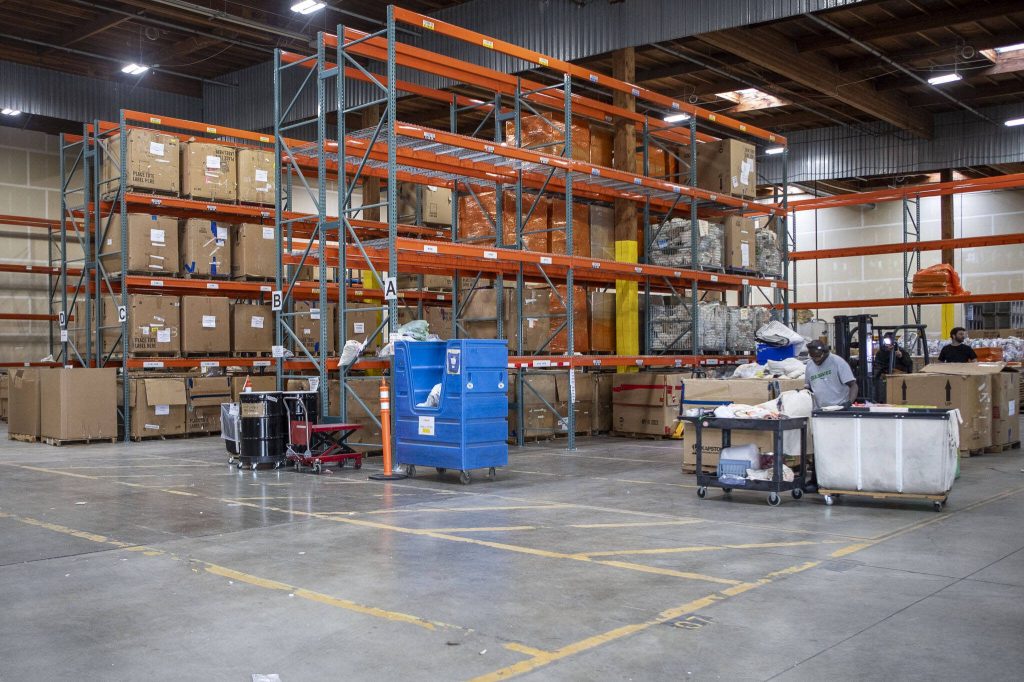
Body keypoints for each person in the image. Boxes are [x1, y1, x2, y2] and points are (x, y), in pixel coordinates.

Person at [805, 340, 858, 408]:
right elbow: (808, 387)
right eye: (813, 357)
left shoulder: (837, 362)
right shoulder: (810, 365)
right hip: (820, 410)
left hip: (839, 408)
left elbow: (853, 385)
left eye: (818, 357)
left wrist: (849, 402)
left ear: (825, 353)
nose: (815, 360)